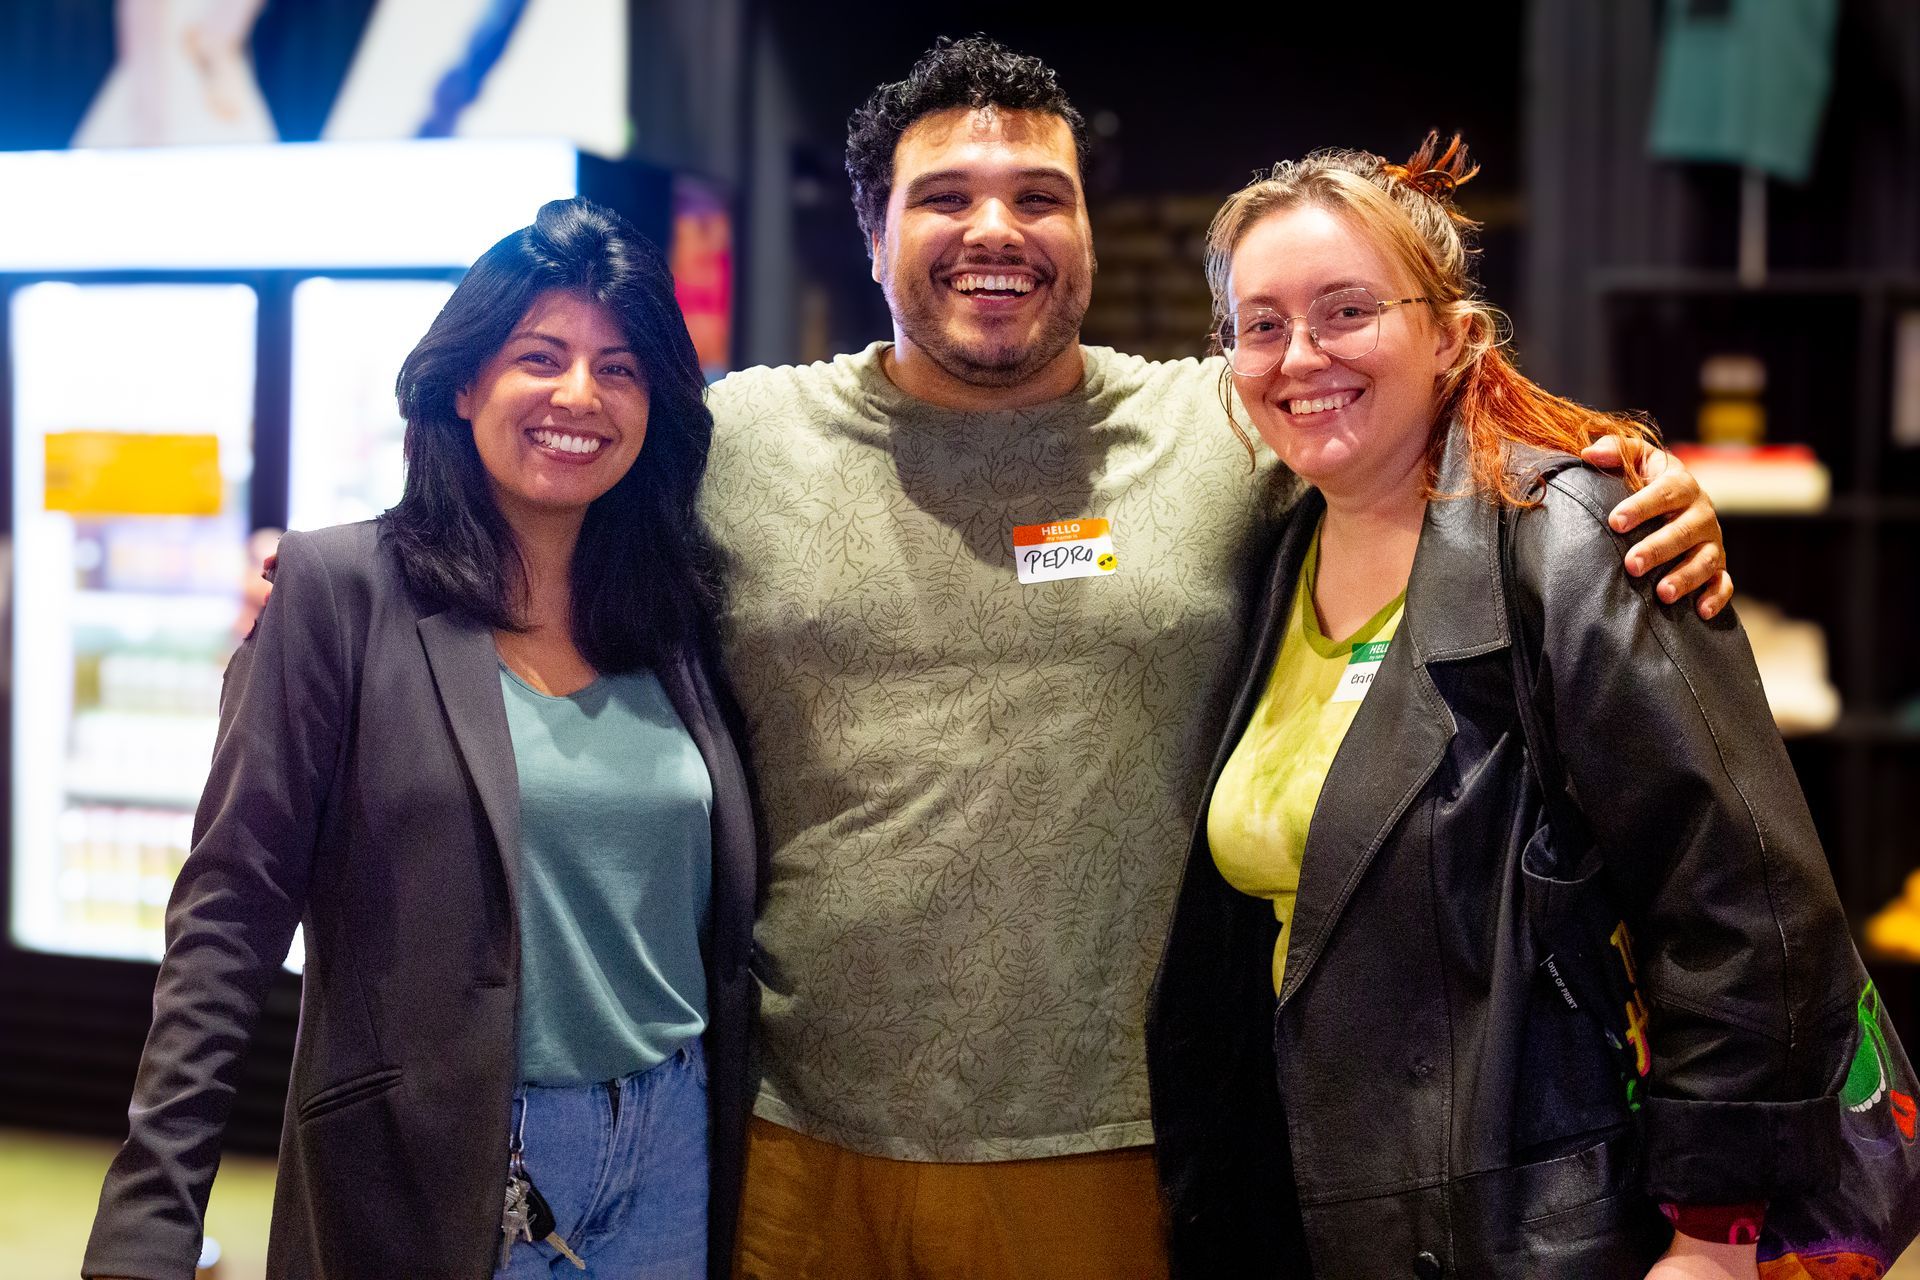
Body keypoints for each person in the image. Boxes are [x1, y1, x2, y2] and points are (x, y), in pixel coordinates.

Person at [703, 37, 1736, 1280]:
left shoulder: (1223, 422)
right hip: (800, 1134)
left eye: (1041, 197)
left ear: (1086, 229)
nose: (997, 227)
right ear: (872, 234)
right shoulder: (736, 441)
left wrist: (1631, 470)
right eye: (945, 198)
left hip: (1123, 1141)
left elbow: (1414, 409)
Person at [1144, 137, 1861, 1279]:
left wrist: (1714, 1239)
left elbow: (1745, 903)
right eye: (1262, 323)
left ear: (1452, 335)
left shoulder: (1576, 539)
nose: (1300, 355)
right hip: (1311, 1202)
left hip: (1531, 1221)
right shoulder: (1273, 548)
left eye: (1346, 309)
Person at [83, 198, 760, 1280]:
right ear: (463, 380)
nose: (578, 395)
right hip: (432, 1161)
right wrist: (149, 1220)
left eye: (619, 368)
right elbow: (228, 913)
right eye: (540, 356)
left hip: (675, 1147)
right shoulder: (339, 592)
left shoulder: (678, 614)